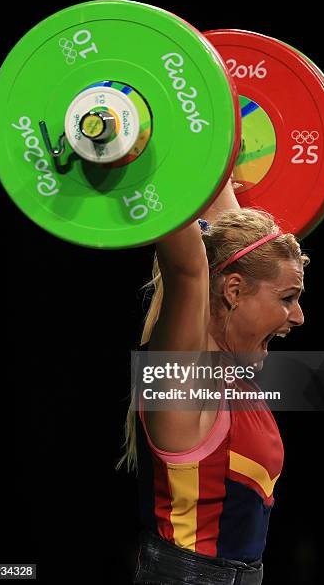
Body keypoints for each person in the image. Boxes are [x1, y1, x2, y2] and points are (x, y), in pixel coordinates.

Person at [116, 176, 310, 584]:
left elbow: (225, 230)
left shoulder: (230, 367)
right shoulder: (183, 378)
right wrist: (137, 157)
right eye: (287, 298)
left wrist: (217, 140)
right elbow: (188, 267)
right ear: (234, 292)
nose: (298, 317)